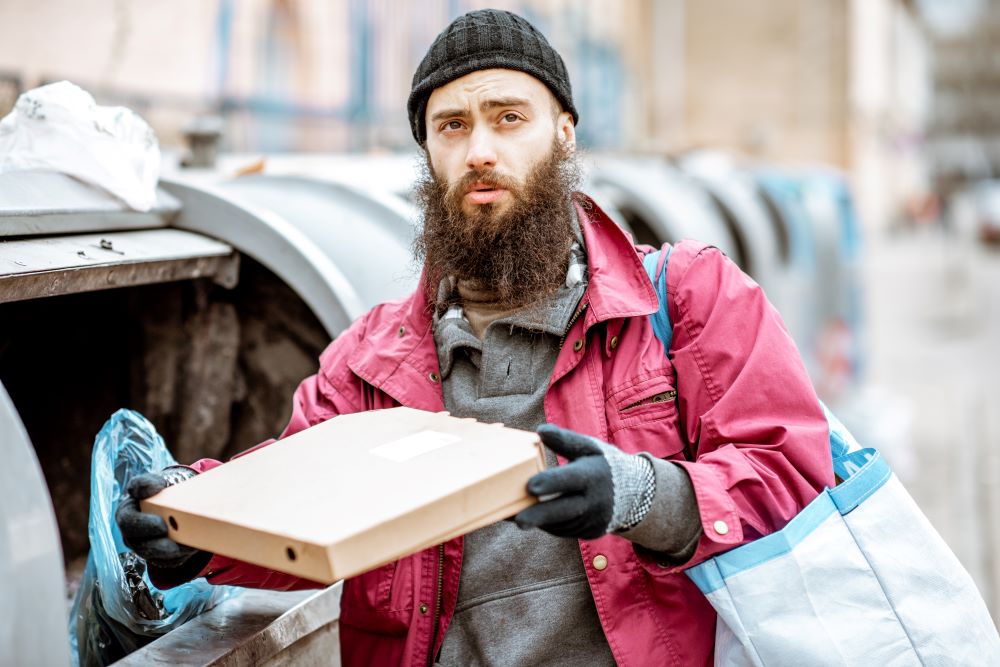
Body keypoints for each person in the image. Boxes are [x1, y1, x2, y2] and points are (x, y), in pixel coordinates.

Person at [117, 9, 832, 666]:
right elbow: (299, 512)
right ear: (427, 152)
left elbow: (794, 476)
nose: (480, 150)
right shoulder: (367, 362)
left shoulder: (688, 298)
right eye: (452, 126)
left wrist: (643, 495)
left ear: (564, 132)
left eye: (508, 117)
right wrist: (193, 523)